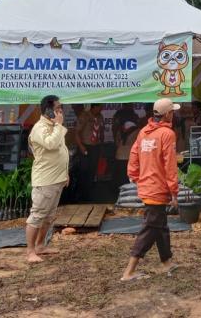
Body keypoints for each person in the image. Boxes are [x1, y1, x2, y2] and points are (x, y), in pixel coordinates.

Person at [121, 98, 180, 282]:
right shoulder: (167, 134)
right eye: (173, 111)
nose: (174, 114)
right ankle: (129, 272)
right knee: (150, 229)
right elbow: (170, 165)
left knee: (160, 226)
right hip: (158, 188)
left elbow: (134, 155)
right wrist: (174, 191)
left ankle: (166, 262)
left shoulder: (144, 132)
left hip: (147, 186)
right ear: (168, 114)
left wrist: (135, 176)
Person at [25, 95, 69, 263]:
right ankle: (30, 252)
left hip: (57, 178)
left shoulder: (53, 126)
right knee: (37, 216)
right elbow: (51, 144)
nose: (61, 111)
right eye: (58, 108)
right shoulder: (40, 128)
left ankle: (40, 246)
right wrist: (59, 125)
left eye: (60, 108)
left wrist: (65, 174)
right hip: (45, 181)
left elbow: (60, 150)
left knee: (49, 216)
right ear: (48, 110)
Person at [74, 104, 113, 201]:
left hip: (96, 147)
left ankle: (89, 192)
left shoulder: (100, 117)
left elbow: (101, 131)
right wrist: (81, 146)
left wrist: (102, 144)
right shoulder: (84, 115)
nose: (101, 109)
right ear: (94, 107)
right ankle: (81, 193)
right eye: (100, 107)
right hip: (85, 146)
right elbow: (77, 132)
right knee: (84, 170)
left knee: (92, 169)